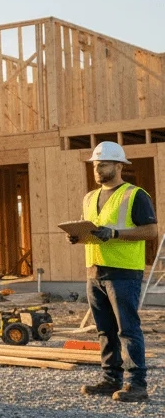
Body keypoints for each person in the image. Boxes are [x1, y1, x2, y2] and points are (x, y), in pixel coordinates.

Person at [66, 141, 157, 403]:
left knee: (127, 329)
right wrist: (78, 236)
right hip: (94, 271)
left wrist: (115, 233)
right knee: (104, 330)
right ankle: (110, 379)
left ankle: (137, 384)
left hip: (124, 272)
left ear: (119, 166)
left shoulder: (135, 195)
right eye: (95, 165)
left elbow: (151, 231)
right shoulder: (89, 198)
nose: (97, 170)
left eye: (103, 165)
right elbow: (95, 230)